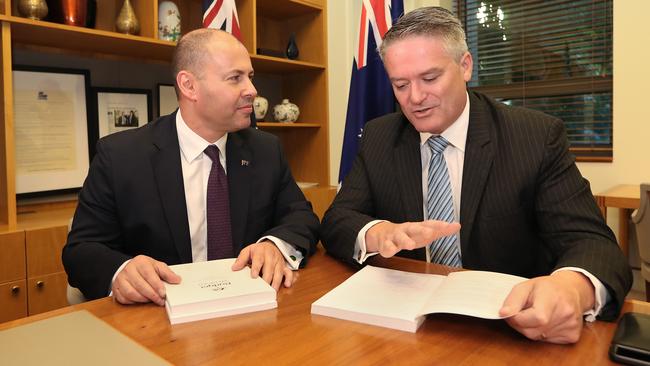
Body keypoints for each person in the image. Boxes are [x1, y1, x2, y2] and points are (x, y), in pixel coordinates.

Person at [321, 7, 631, 344]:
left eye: (430, 78)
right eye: (400, 84)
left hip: (506, 331)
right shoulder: (381, 135)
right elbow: (338, 219)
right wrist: (377, 233)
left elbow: (594, 244)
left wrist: (573, 288)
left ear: (465, 65)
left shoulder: (535, 137)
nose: (415, 98)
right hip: (408, 331)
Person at [63, 29, 320, 306]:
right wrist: (121, 271)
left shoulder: (265, 150)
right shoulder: (120, 156)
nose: (252, 91)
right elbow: (81, 251)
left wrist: (274, 245)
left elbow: (301, 217)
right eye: (235, 78)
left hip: (249, 310)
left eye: (250, 77)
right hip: (156, 318)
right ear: (188, 86)